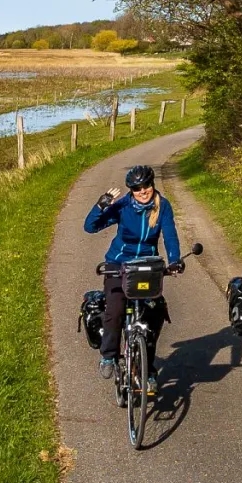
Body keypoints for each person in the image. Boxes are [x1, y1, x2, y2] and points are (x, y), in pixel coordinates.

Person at [84, 164, 183, 392]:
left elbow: (170, 235)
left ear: (152, 184)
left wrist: (175, 260)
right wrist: (101, 206)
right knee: (115, 309)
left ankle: (147, 369)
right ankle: (108, 356)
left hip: (147, 265)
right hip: (118, 264)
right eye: (136, 188)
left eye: (146, 185)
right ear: (131, 190)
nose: (142, 191)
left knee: (155, 314)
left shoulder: (163, 206)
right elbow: (90, 227)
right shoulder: (123, 206)